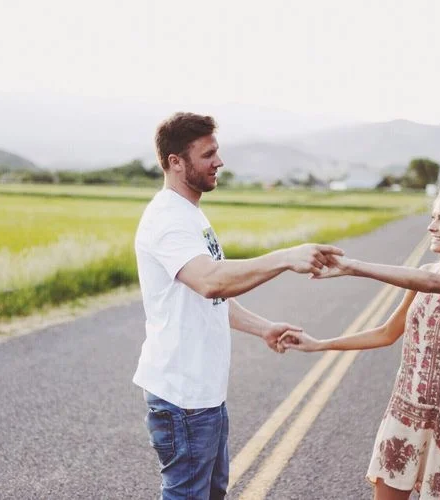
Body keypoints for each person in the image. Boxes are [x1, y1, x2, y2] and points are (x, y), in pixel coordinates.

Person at [133, 112, 344, 499]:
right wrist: (285, 258)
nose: (219, 161)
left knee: (212, 492)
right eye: (207, 154)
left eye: (217, 151)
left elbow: (211, 299)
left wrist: (263, 328)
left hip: (203, 394)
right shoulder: (167, 219)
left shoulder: (190, 214)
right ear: (175, 162)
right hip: (183, 398)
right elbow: (211, 281)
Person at [280, 182, 440, 500]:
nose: (431, 226)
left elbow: (433, 283)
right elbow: (387, 332)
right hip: (406, 412)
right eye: (432, 217)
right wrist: (320, 344)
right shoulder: (427, 272)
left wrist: (352, 267)